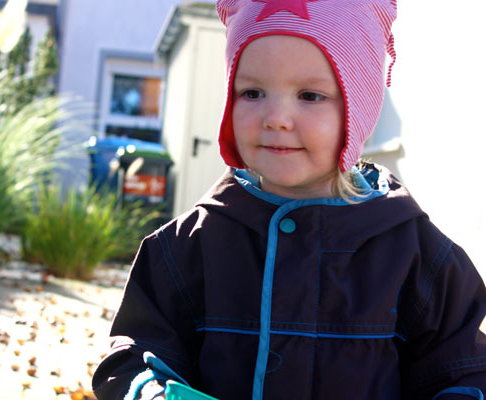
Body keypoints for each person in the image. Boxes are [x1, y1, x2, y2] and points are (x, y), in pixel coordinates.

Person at [92, 0, 486, 398]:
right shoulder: (185, 249)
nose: (276, 117)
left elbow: (463, 372)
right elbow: (137, 353)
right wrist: (150, 392)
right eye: (252, 92)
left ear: (360, 107)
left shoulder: (417, 257)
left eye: (310, 96)